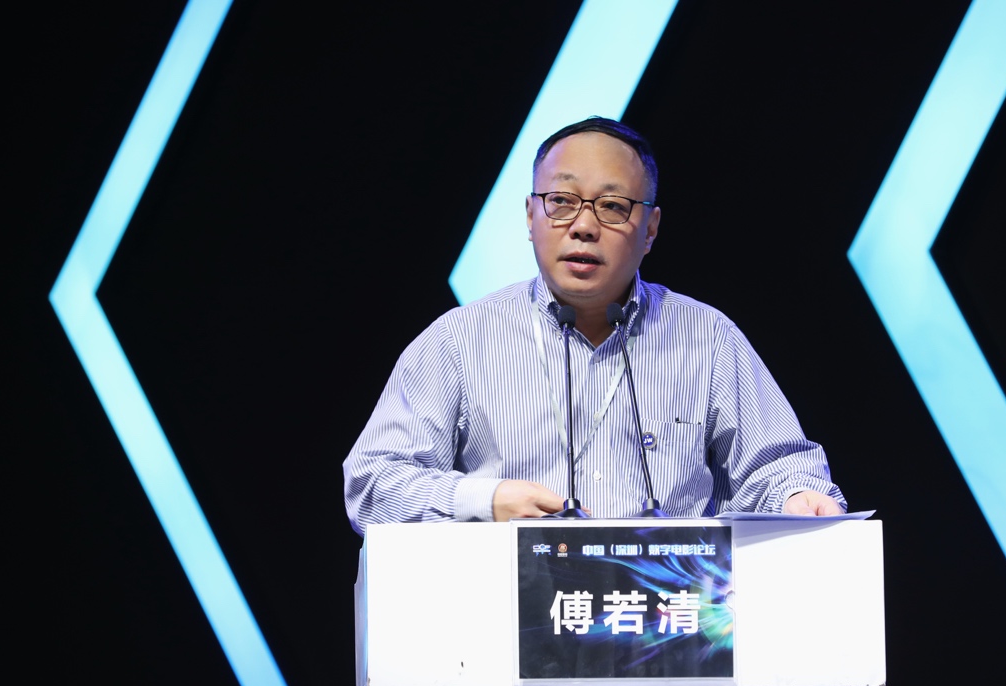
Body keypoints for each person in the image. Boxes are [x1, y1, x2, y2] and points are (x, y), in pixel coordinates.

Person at [343, 117, 845, 532]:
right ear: (530, 216)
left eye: (612, 207)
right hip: (507, 613)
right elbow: (372, 485)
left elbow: (779, 468)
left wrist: (799, 497)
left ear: (650, 229)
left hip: (670, 611)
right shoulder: (458, 341)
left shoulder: (707, 339)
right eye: (561, 202)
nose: (583, 226)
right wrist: (484, 499)